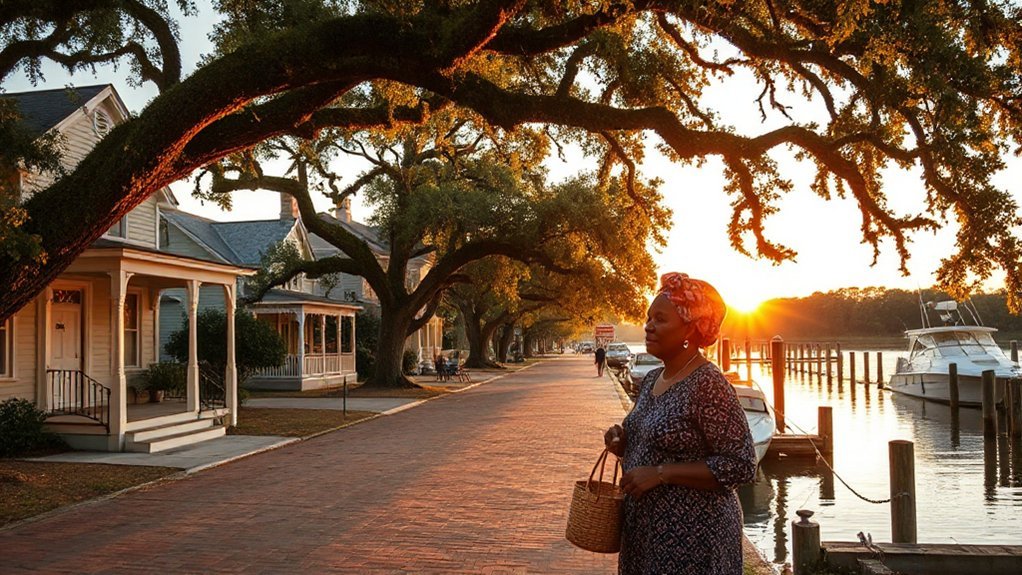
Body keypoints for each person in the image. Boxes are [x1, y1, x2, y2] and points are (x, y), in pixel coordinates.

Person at [603, 272, 756, 575]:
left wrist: (662, 474)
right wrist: (623, 442)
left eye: (660, 319)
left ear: (691, 327)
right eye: (648, 318)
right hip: (645, 535)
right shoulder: (651, 380)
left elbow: (741, 464)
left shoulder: (707, 384)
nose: (648, 326)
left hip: (693, 540)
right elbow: (653, 440)